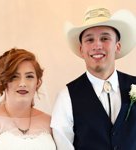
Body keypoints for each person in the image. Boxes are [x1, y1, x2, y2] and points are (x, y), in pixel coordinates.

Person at [51, 6, 136, 150]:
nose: (97, 45)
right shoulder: (66, 97)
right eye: (89, 40)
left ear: (117, 46)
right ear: (81, 49)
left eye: (104, 38)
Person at [0, 48, 56, 150]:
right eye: (14, 77)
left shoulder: (50, 122)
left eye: (29, 76)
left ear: (38, 82)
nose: (23, 83)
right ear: (4, 81)